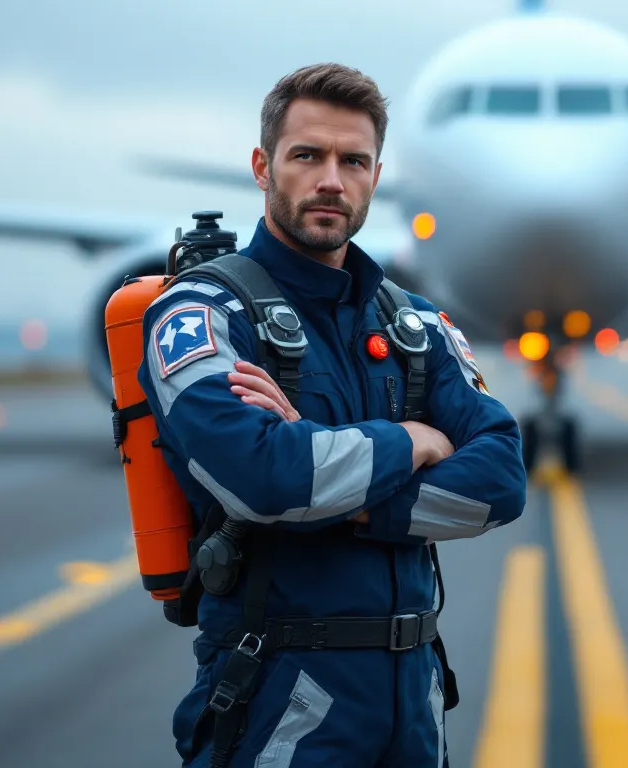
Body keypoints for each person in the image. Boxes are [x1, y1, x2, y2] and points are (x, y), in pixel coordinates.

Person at [136, 62, 528, 767]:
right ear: (262, 166)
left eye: (354, 161)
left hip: (414, 701)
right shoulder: (203, 314)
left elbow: (501, 482)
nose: (331, 181)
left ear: (377, 174)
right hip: (282, 697)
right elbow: (263, 479)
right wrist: (414, 439)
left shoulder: (415, 325)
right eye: (307, 156)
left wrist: (341, 498)